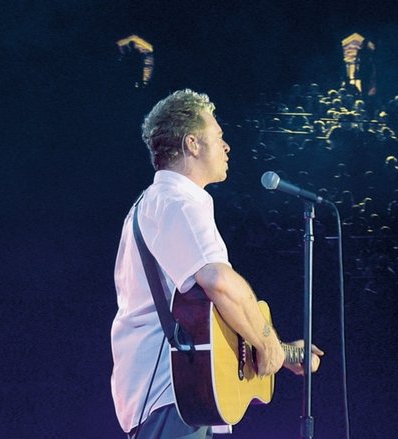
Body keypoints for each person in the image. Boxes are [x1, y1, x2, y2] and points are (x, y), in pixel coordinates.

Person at [111, 89, 323, 438]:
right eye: (219, 137)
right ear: (192, 144)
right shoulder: (178, 200)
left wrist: (279, 351)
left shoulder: (159, 202)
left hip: (181, 397)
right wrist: (267, 344)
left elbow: (206, 314)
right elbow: (219, 281)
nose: (227, 147)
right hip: (172, 394)